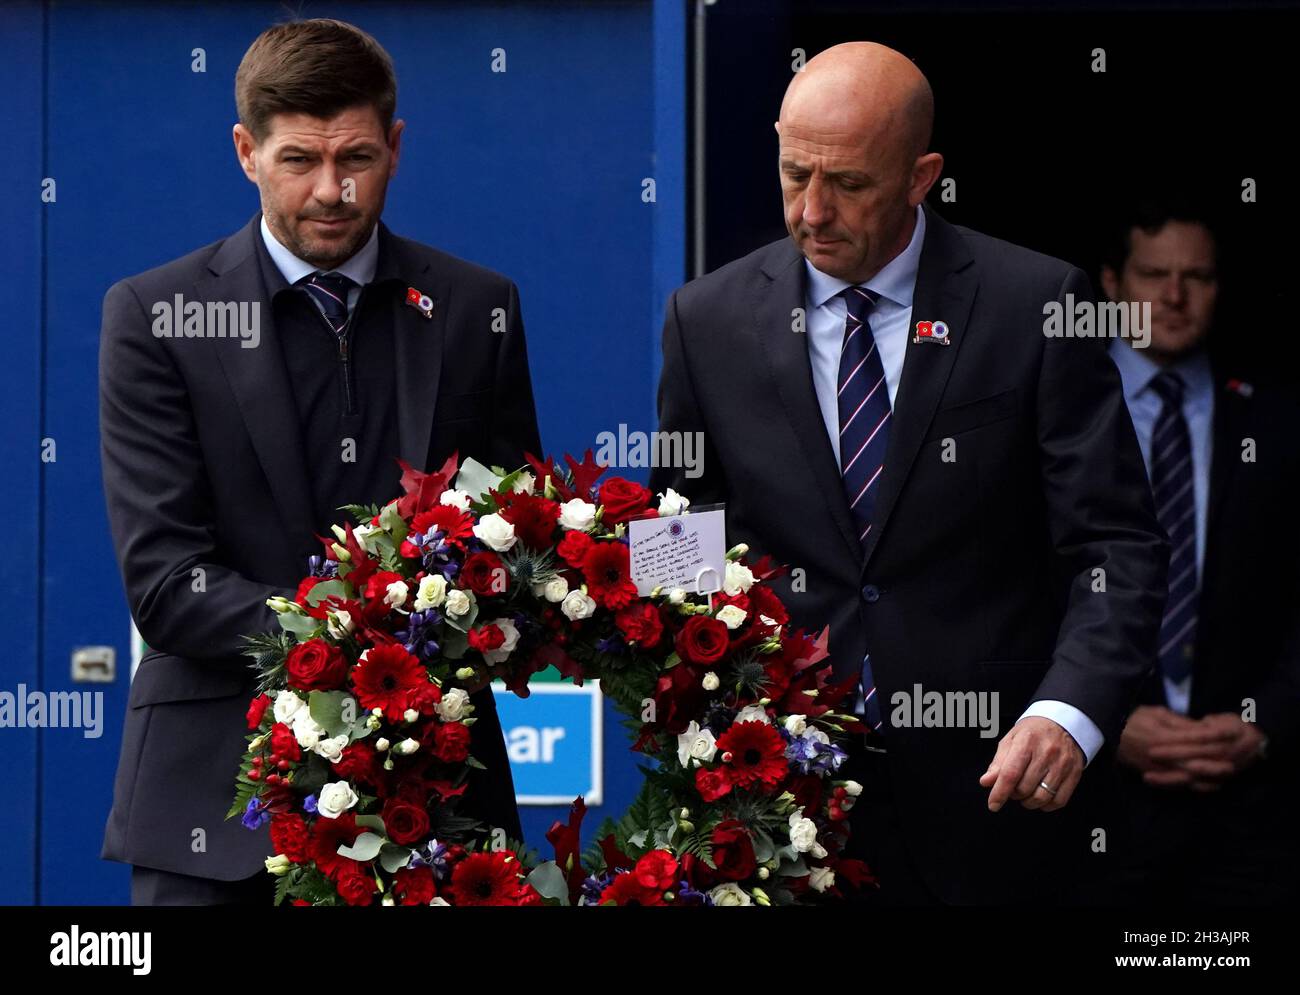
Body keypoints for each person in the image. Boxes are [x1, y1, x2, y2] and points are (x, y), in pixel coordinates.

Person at [650, 42, 1167, 904]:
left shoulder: (1036, 306)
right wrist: (697, 712)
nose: (812, 211)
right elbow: (681, 540)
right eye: (793, 174)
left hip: (1003, 801)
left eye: (849, 183)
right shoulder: (703, 320)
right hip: (782, 808)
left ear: (923, 175)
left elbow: (1116, 544)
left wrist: (1067, 713)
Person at [99, 19, 540, 905]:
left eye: (358, 159)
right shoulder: (154, 315)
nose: (332, 191)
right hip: (216, 810)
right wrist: (358, 640)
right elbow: (164, 579)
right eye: (299, 160)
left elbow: (511, 534)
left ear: (397, 146)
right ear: (245, 151)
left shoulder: (472, 307)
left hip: (438, 799)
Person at [1090, 197, 1300, 903]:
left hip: (1252, 804)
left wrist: (1266, 719)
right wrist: (1098, 716)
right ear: (1112, 283)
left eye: (1197, 277)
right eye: (1154, 274)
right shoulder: (1056, 406)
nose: (1175, 297)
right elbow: (1006, 586)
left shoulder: (1276, 417)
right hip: (1088, 799)